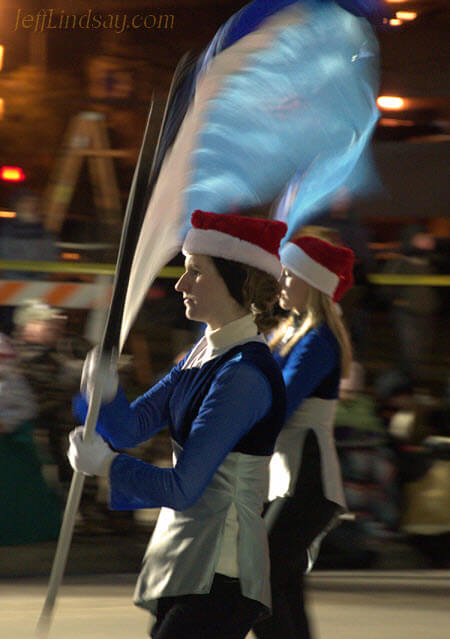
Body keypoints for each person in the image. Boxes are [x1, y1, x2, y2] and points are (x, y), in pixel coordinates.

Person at [68, 210, 288, 639]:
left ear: (237, 282)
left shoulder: (242, 373)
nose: (180, 284)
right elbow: (132, 428)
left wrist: (109, 467)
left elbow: (184, 487)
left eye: (196, 273)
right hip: (188, 557)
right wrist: (107, 392)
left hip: (223, 567)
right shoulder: (202, 353)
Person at [253, 232, 355, 639]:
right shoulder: (290, 334)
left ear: (312, 284)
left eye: (290, 275)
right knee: (284, 588)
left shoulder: (317, 341)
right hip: (290, 478)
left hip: (308, 482)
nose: (281, 282)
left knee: (257, 582)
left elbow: (281, 401)